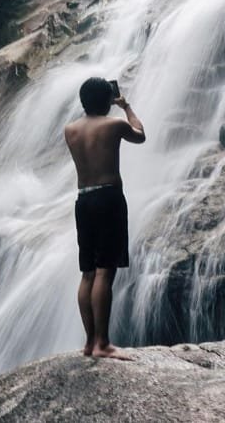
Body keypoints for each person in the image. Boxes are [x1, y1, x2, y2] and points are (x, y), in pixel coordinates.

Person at [64, 76, 145, 360]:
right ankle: (103, 343)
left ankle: (89, 343)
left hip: (83, 200)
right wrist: (127, 107)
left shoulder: (70, 129)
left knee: (87, 272)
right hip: (108, 199)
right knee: (104, 271)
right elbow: (140, 134)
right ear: (108, 100)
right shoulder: (114, 124)